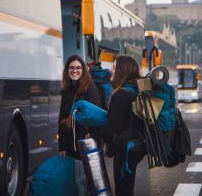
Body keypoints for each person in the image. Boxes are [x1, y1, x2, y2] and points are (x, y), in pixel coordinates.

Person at [100, 56, 145, 196]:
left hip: (125, 149)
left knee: (122, 190)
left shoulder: (121, 95)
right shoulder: (136, 90)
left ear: (121, 70)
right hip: (137, 147)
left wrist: (95, 133)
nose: (111, 70)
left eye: (114, 67)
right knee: (127, 187)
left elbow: (111, 128)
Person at [58, 55, 102, 194]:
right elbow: (62, 119)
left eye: (78, 68)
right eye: (71, 68)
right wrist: (62, 146)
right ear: (67, 70)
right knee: (76, 183)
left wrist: (92, 135)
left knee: (83, 183)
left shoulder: (90, 89)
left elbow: (98, 116)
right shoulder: (66, 89)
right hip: (71, 146)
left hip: (85, 145)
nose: (74, 71)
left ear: (83, 70)